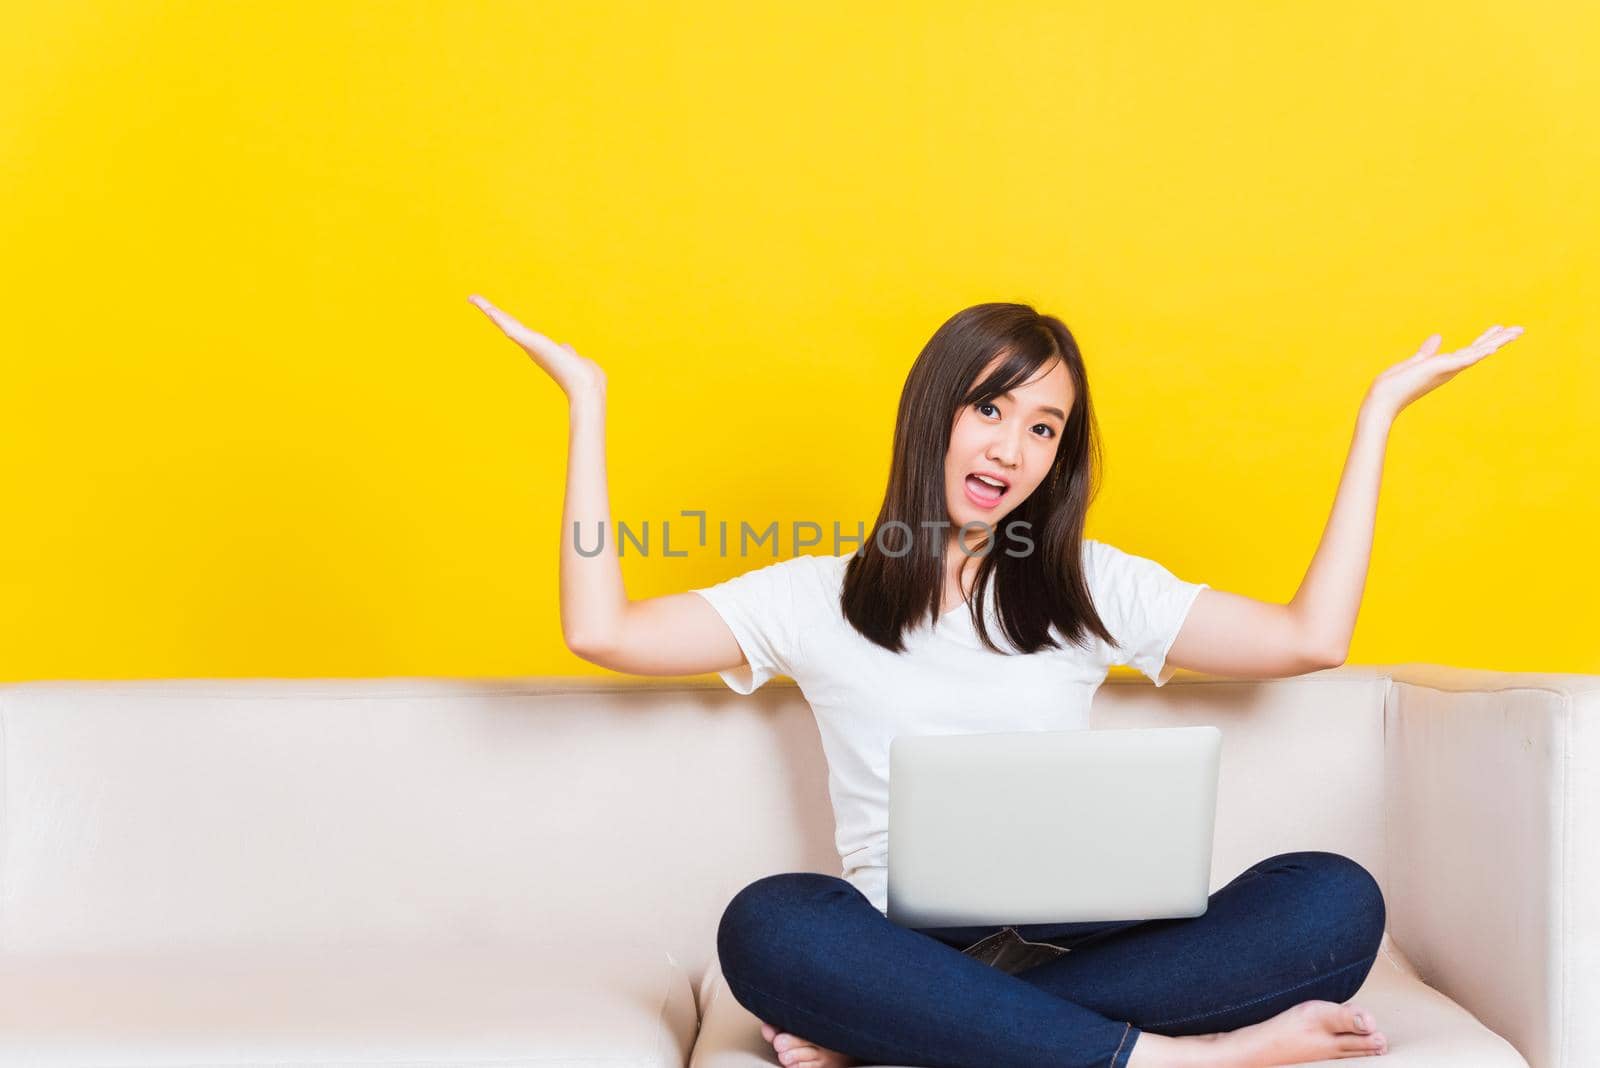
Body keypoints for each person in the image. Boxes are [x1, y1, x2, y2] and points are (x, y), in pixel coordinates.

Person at [468, 293, 1523, 1068]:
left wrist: (1379, 417)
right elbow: (600, 629)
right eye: (992, 410)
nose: (1012, 447)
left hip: (1076, 929)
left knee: (1332, 902)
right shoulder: (810, 593)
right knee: (772, 922)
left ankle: (921, 1036)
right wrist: (588, 405)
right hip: (894, 939)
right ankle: (1161, 1059)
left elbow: (1309, 638)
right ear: (936, 414)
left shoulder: (1080, 584)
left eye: (1043, 428)